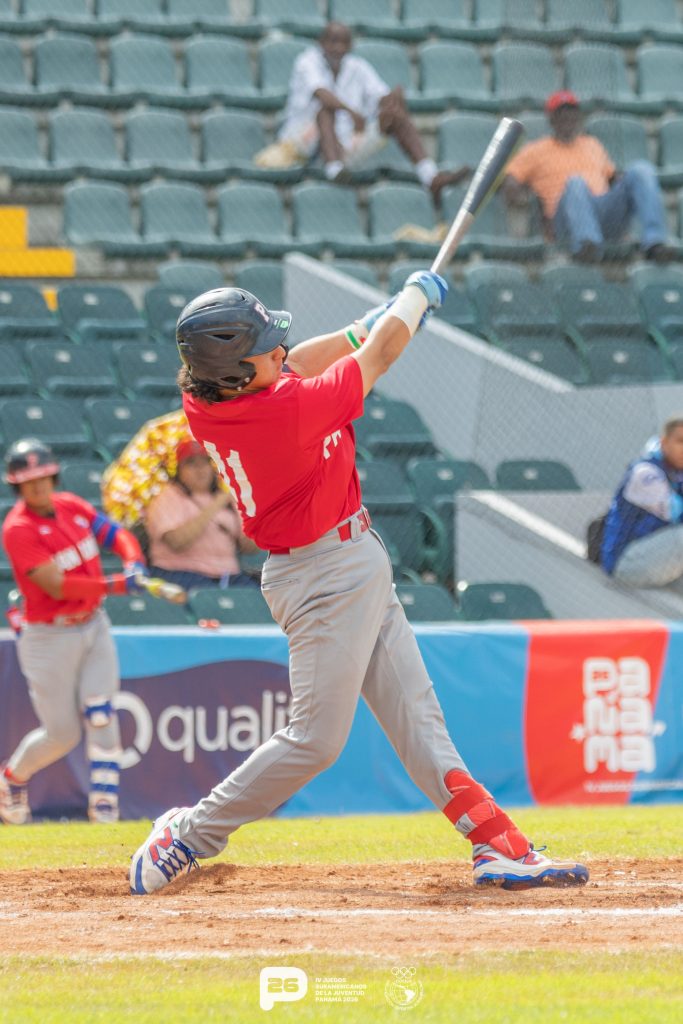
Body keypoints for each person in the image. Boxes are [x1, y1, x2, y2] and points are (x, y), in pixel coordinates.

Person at [129, 276, 589, 895]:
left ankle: (497, 844)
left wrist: (377, 318)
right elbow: (379, 358)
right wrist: (409, 306)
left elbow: (306, 357)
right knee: (316, 740)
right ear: (236, 372)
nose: (278, 351)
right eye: (263, 348)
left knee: (417, 719)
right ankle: (188, 834)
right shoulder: (281, 412)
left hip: (346, 559)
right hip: (322, 573)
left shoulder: (217, 394)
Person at [0, 438, 150, 826]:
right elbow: (56, 585)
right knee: (62, 734)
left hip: (93, 623)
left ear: (54, 476)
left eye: (43, 477)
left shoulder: (71, 505)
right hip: (49, 636)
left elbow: (114, 533)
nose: (37, 486)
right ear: (17, 486)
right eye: (28, 481)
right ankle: (12, 777)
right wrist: (117, 584)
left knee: (101, 711)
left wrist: (133, 560)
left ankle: (105, 808)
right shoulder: (18, 528)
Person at [278, 21, 469, 201]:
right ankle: (333, 169)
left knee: (395, 116)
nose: (338, 48)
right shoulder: (306, 61)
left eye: (344, 43)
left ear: (351, 46)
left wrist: (393, 99)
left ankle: (430, 177)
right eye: (333, 41)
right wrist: (351, 113)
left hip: (343, 146)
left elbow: (380, 96)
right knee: (325, 110)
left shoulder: (357, 66)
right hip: (302, 145)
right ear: (321, 42)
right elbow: (321, 94)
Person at [503, 90, 673, 262]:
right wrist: (521, 196)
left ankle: (655, 243)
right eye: (561, 113)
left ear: (578, 117)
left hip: (603, 215)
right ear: (551, 119)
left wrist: (626, 188)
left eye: (571, 112)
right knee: (576, 183)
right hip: (565, 221)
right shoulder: (536, 150)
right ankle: (586, 246)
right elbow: (510, 179)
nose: (567, 117)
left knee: (641, 169)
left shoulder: (592, 144)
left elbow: (613, 178)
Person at [145, 436, 261, 591]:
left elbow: (251, 548)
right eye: (191, 463)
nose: (200, 469)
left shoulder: (227, 497)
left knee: (260, 596)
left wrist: (253, 523)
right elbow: (176, 542)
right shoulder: (167, 497)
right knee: (208, 597)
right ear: (179, 470)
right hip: (181, 573)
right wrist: (216, 505)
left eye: (205, 462)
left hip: (228, 576)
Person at [601, 416, 683, 586]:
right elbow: (675, 512)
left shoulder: (677, 473)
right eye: (680, 441)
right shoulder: (645, 472)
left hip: (658, 557)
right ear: (664, 442)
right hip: (626, 562)